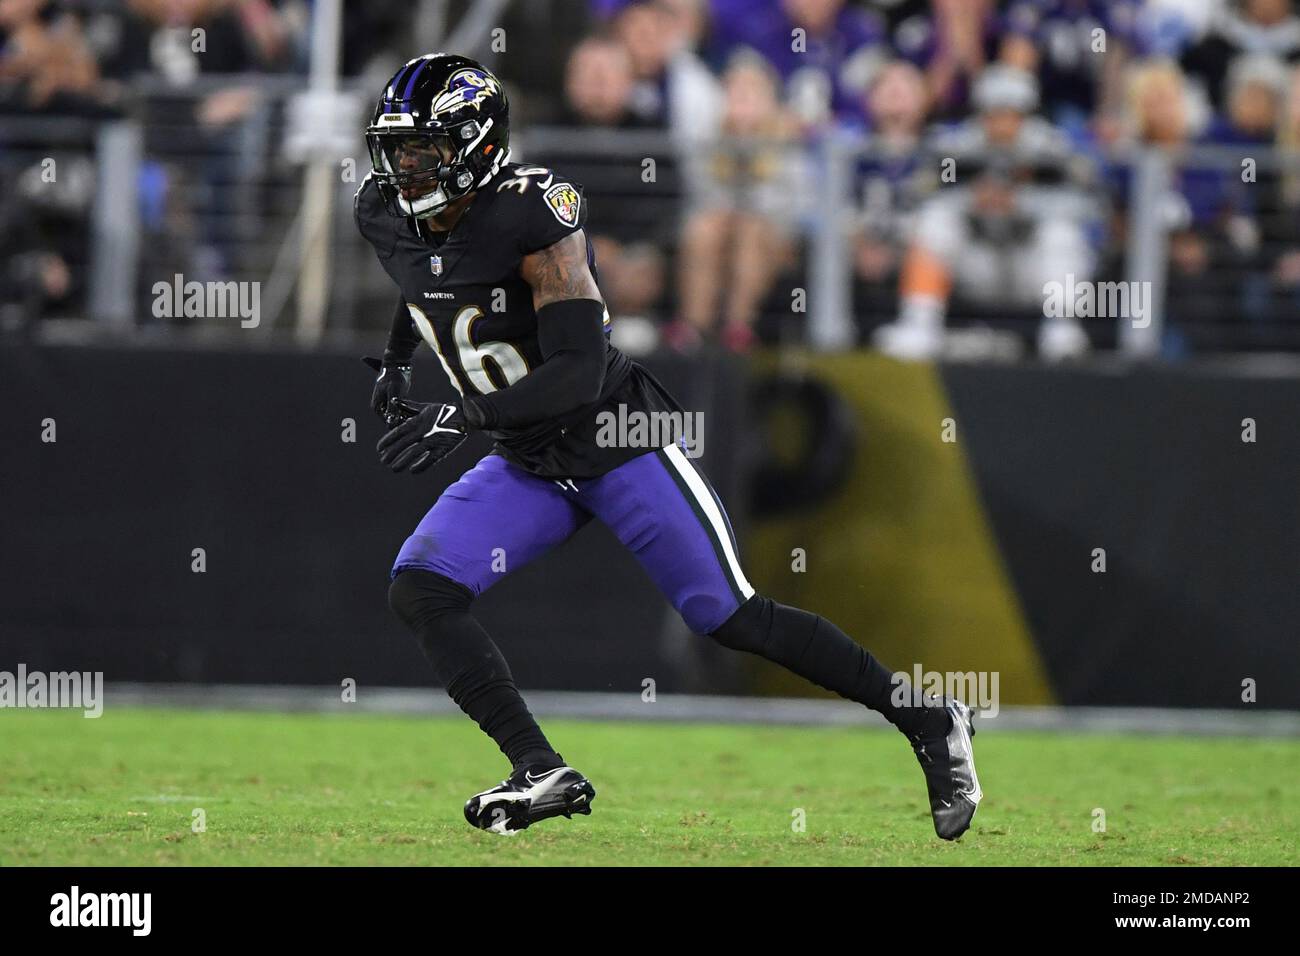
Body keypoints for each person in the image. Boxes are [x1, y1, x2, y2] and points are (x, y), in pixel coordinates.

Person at [355, 53, 981, 839]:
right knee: (421, 587)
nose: (405, 170)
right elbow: (423, 284)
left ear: (477, 146)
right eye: (398, 150)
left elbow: (580, 372)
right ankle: (539, 768)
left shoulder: (531, 214)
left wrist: (466, 416)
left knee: (730, 615)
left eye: (424, 151)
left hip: (614, 436)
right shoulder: (382, 210)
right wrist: (397, 359)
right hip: (530, 459)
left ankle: (928, 719)